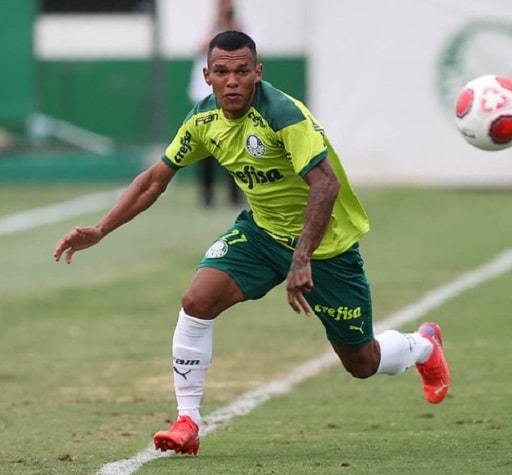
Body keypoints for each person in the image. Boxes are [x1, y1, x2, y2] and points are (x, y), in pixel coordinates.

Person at [53, 30, 450, 456]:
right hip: (262, 234)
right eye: (221, 72)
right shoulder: (203, 121)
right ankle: (187, 420)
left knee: (362, 363)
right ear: (206, 76)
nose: (232, 81)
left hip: (326, 249)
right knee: (196, 301)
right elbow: (153, 181)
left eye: (242, 71)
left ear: (257, 73)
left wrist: (302, 260)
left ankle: (424, 346)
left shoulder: (283, 115)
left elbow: (325, 185)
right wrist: (101, 229)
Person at [189, 0, 245, 209]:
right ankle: (207, 195)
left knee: (235, 146)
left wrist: (231, 25)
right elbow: (201, 48)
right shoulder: (207, 28)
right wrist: (217, 24)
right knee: (206, 148)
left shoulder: (242, 29)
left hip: (232, 95)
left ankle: (236, 195)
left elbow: (251, 51)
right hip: (205, 95)